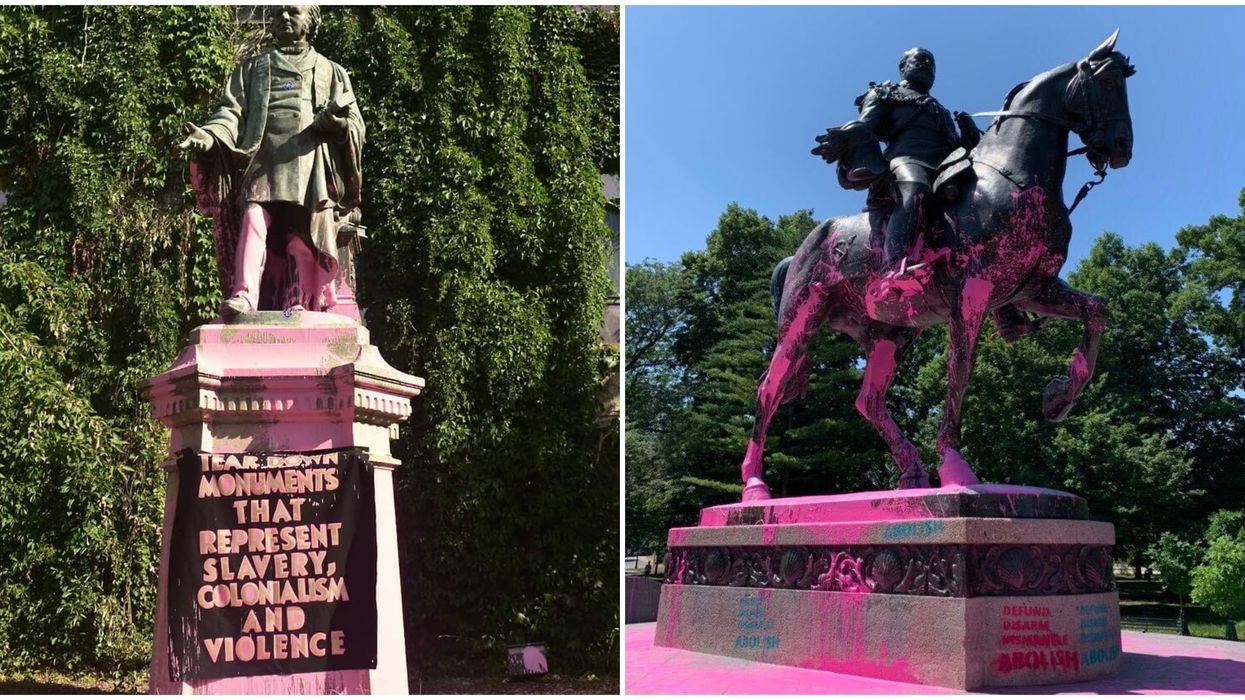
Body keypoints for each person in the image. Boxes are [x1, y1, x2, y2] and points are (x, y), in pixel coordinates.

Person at [180, 5, 364, 316]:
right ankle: (244, 294)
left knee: (301, 234)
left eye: (293, 12)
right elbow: (230, 112)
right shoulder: (252, 69)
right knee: (253, 218)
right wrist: (211, 136)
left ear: (311, 21)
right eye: (277, 13)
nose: (284, 18)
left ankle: (300, 302)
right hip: (263, 162)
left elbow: (356, 124)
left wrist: (341, 125)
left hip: (310, 164)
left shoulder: (331, 71)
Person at [844, 47, 979, 278]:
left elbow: (954, 147)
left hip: (944, 166)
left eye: (931, 62)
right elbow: (864, 128)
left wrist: (969, 136)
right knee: (915, 186)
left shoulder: (941, 111)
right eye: (920, 59)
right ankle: (893, 267)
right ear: (902, 67)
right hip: (906, 160)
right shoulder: (885, 93)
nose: (927, 64)